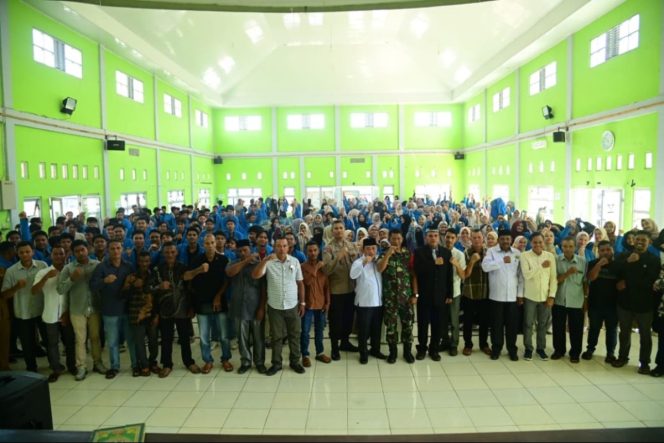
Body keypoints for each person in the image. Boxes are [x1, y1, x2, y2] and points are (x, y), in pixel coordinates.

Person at [252, 236, 306, 376]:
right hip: (274, 306)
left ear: (288, 247)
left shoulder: (294, 261)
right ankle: (276, 364)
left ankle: (295, 362)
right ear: (274, 247)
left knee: (294, 335)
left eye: (284, 246)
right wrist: (264, 261)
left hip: (292, 305)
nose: (281, 249)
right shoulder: (268, 263)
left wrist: (302, 302)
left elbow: (300, 283)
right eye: (278, 246)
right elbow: (255, 275)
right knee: (276, 337)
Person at [612, 230, 661, 374]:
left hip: (644, 304)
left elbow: (649, 281)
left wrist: (626, 281)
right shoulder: (624, 256)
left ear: (649, 242)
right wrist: (628, 262)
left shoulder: (654, 259)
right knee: (624, 332)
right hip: (625, 302)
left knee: (645, 335)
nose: (639, 242)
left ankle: (644, 363)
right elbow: (614, 270)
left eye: (643, 240)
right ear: (633, 241)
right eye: (637, 239)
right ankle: (622, 357)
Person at [57, 240, 105, 380]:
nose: (80, 253)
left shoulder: (97, 265)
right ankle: (81, 367)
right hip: (77, 309)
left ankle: (98, 363)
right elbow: (60, 289)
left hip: (95, 307)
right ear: (72, 252)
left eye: (82, 249)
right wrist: (72, 279)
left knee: (95, 338)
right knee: (80, 339)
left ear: (88, 249)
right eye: (77, 251)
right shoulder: (68, 268)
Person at [151, 242, 201, 378]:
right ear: (163, 253)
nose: (170, 255)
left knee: (185, 337)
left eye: (172, 252)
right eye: (167, 252)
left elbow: (191, 288)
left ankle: (189, 362)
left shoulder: (184, 268)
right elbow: (150, 289)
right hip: (164, 309)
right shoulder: (157, 269)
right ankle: (167, 364)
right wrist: (159, 286)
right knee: (166, 338)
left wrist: (192, 307)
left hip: (182, 307)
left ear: (177, 252)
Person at [185, 234, 232, 373]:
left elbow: (227, 281)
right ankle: (208, 361)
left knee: (224, 335)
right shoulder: (197, 259)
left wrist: (218, 296)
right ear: (203, 244)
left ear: (216, 243)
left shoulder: (223, 260)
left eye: (212, 242)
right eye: (207, 243)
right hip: (201, 302)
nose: (210, 245)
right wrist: (199, 269)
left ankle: (225, 359)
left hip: (220, 302)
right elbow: (187, 276)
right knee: (204, 336)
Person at [90, 239, 136, 379]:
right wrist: (104, 281)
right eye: (112, 249)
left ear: (121, 249)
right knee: (113, 341)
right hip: (109, 310)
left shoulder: (128, 266)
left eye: (118, 248)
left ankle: (135, 365)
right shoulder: (101, 267)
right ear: (107, 251)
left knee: (131, 340)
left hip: (127, 310)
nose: (115, 251)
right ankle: (115, 366)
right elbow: (92, 286)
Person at [0, 241, 48, 372]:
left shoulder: (42, 265)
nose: (25, 255)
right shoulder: (11, 271)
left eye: (27, 251)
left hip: (42, 309)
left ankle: (54, 365)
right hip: (22, 312)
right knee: (27, 344)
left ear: (32, 252)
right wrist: (16, 287)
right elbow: (4, 295)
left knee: (48, 340)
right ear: (17, 253)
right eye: (21, 252)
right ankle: (31, 368)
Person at [32, 246, 75, 382]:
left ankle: (72, 366)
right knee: (52, 343)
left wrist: (67, 312)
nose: (58, 256)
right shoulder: (43, 272)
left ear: (65, 255)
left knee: (69, 342)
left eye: (61, 254)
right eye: (55, 254)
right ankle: (56, 368)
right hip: (50, 315)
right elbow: (34, 291)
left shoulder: (70, 270)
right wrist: (46, 277)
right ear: (51, 256)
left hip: (67, 313)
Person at [412, 228, 454, 362]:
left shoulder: (446, 253)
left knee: (438, 324)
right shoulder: (419, 252)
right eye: (430, 236)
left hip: (441, 295)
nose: (433, 238)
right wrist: (433, 263)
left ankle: (434, 349)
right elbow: (417, 271)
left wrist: (450, 294)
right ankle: (422, 349)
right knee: (423, 324)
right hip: (424, 295)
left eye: (435, 235)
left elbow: (449, 275)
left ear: (438, 237)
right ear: (426, 237)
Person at [226, 239, 266, 374]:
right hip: (238, 307)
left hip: (255, 307)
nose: (243, 253)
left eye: (245, 250)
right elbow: (230, 273)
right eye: (240, 251)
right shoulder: (233, 263)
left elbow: (263, 289)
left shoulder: (259, 265)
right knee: (242, 338)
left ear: (251, 250)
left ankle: (259, 362)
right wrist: (245, 261)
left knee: (258, 337)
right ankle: (246, 361)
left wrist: (261, 308)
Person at [376, 229, 416, 364]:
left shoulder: (408, 254)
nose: (396, 241)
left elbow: (413, 275)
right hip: (390, 298)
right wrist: (388, 253)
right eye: (393, 239)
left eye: (398, 238)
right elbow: (380, 269)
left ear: (402, 239)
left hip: (406, 297)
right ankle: (393, 353)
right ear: (389, 238)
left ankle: (407, 352)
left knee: (408, 325)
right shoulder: (383, 253)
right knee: (391, 327)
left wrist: (415, 294)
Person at [323, 220, 360, 360]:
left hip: (351, 289)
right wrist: (337, 258)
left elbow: (357, 265)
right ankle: (334, 347)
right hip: (336, 290)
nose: (338, 230)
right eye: (336, 228)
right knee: (335, 320)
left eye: (341, 228)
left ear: (344, 230)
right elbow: (326, 270)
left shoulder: (351, 245)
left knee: (348, 319)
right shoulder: (328, 248)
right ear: (332, 231)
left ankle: (345, 342)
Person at [482, 229, 520, 361]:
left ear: (511, 240)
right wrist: (501, 261)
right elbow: (485, 267)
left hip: (512, 297)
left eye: (508, 239)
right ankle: (496, 349)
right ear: (499, 240)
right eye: (503, 239)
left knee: (512, 326)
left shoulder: (517, 253)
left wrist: (520, 295)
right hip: (496, 296)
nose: (505, 241)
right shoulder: (491, 251)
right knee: (496, 325)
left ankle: (512, 350)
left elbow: (520, 276)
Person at [519, 232, 557, 361]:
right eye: (535, 242)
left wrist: (551, 296)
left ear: (544, 242)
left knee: (543, 324)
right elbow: (527, 275)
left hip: (545, 296)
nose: (538, 244)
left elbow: (553, 278)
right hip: (530, 296)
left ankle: (541, 349)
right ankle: (528, 349)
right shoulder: (525, 256)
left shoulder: (550, 256)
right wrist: (540, 266)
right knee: (528, 324)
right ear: (531, 243)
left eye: (540, 242)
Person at [350, 238, 387, 364]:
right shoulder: (358, 262)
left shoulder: (379, 262)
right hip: (364, 303)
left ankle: (375, 350)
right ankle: (363, 353)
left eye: (373, 248)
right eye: (368, 248)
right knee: (364, 330)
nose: (371, 251)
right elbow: (353, 275)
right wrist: (364, 262)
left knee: (376, 329)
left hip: (378, 302)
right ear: (363, 249)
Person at [582, 240, 619, 363]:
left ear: (612, 250)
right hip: (595, 303)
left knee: (612, 330)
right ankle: (590, 350)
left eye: (608, 250)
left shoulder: (618, 264)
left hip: (613, 305)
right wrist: (599, 265)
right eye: (602, 250)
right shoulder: (592, 263)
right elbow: (590, 278)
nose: (605, 253)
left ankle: (610, 353)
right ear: (598, 252)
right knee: (594, 328)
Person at [123, 251, 157, 377]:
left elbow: (156, 295)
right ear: (138, 262)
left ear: (150, 262)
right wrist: (130, 286)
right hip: (136, 314)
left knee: (153, 341)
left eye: (147, 261)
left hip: (151, 314)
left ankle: (152, 362)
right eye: (142, 261)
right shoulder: (131, 276)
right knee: (139, 342)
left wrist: (156, 314)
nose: (144, 264)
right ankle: (144, 365)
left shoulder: (154, 275)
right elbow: (123, 296)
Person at [553, 237, 586, 363]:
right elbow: (554, 281)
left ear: (575, 247)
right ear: (561, 247)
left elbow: (585, 282)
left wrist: (586, 301)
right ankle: (559, 350)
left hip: (576, 300)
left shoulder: (582, 261)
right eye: (565, 246)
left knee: (576, 329)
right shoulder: (556, 260)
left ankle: (575, 352)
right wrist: (567, 273)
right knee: (558, 327)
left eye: (570, 246)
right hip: (559, 299)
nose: (567, 249)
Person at [300, 241, 331, 367]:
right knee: (305, 331)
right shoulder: (302, 267)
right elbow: (306, 282)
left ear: (318, 251)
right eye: (310, 251)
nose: (312, 253)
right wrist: (316, 268)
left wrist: (328, 302)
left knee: (319, 330)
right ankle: (305, 355)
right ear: (306, 252)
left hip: (320, 304)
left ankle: (320, 352)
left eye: (315, 250)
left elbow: (327, 287)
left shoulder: (324, 268)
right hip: (307, 305)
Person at [462, 229, 491, 356]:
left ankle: (483, 344)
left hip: (485, 293)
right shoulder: (466, 253)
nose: (477, 240)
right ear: (470, 239)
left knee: (484, 320)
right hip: (470, 292)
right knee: (468, 321)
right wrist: (472, 262)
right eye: (474, 238)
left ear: (483, 238)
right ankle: (468, 344)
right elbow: (463, 274)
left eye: (479, 237)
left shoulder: (489, 253)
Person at [441, 229, 466, 356]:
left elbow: (463, 276)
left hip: (455, 291)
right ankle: (444, 341)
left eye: (452, 237)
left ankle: (454, 344)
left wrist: (456, 264)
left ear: (456, 239)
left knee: (454, 320)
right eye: (447, 237)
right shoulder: (439, 251)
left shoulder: (459, 254)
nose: (449, 240)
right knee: (442, 319)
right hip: (440, 292)